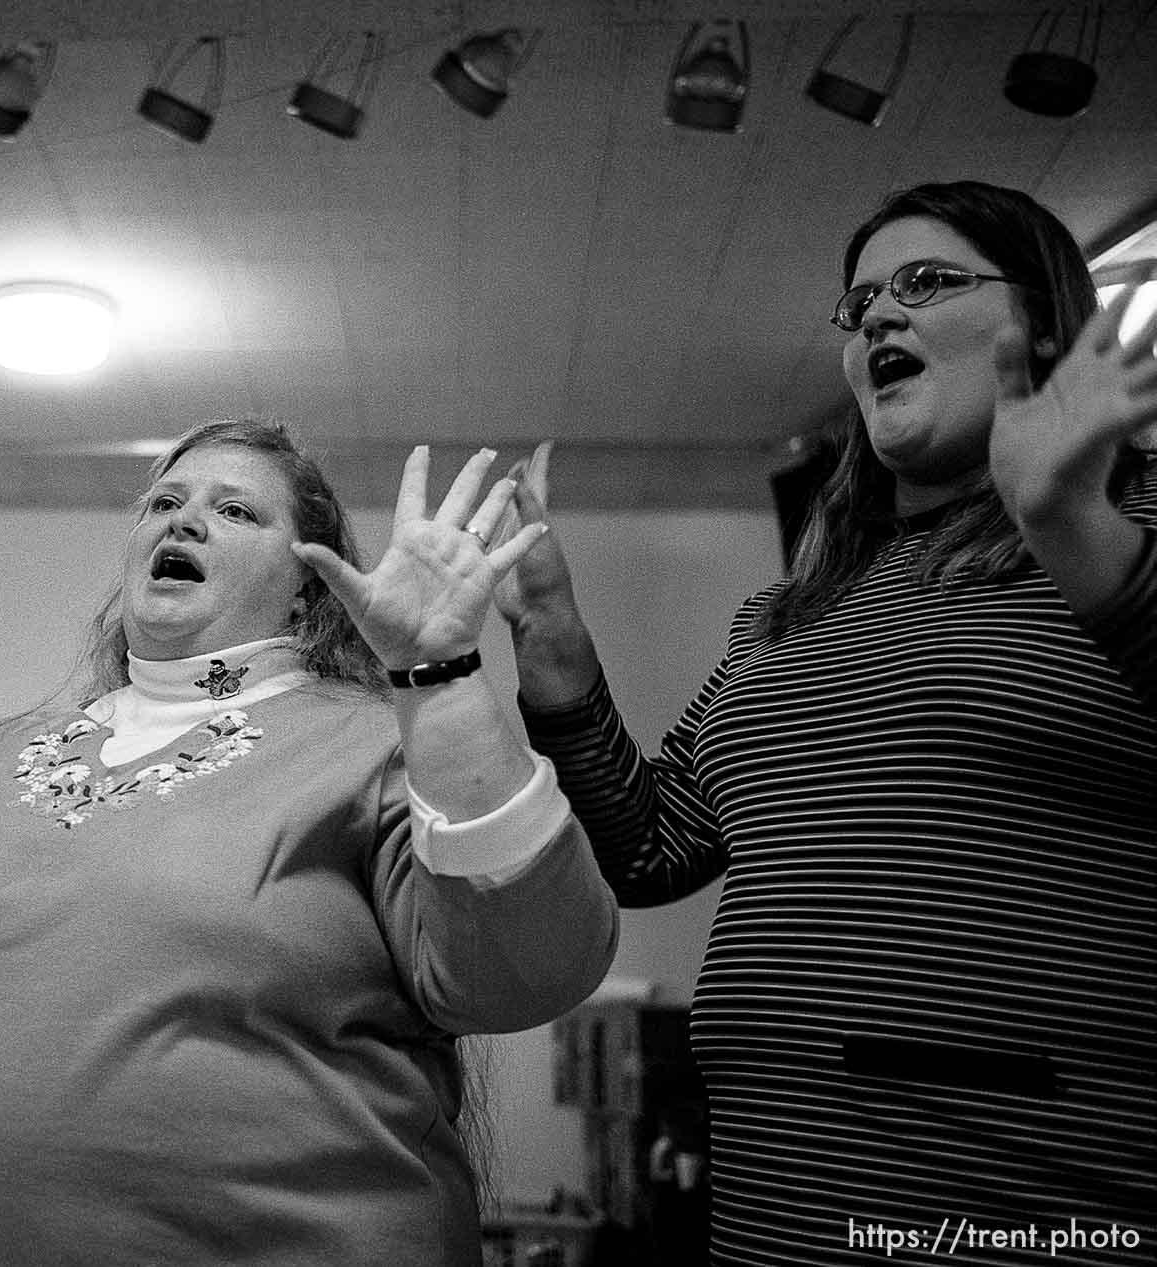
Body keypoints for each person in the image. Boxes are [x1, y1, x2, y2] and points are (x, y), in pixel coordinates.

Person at [0, 421, 620, 1266]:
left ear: (309, 583)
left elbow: (528, 967)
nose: (183, 519)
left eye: (237, 510)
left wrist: (439, 677)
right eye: (163, 501)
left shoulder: (380, 746)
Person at [495, 180, 1157, 1264]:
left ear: (1041, 318)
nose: (876, 319)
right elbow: (648, 849)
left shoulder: (1129, 523)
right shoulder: (786, 610)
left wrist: (1068, 521)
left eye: (925, 283)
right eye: (857, 306)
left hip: (1028, 1195)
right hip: (777, 1203)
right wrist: (553, 645)